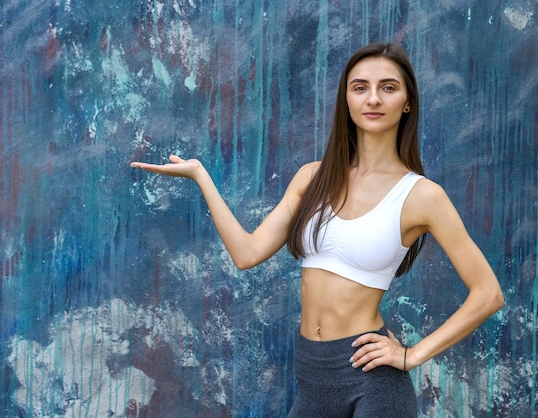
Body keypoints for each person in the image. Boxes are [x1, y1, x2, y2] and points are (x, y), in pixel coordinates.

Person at [131, 42, 504, 417]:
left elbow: (488, 294)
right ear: (346, 99)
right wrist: (201, 176)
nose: (373, 98)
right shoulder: (312, 177)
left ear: (407, 102)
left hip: (371, 381)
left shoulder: (421, 195)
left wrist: (412, 355)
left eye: (388, 87)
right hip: (311, 376)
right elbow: (246, 254)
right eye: (360, 88)